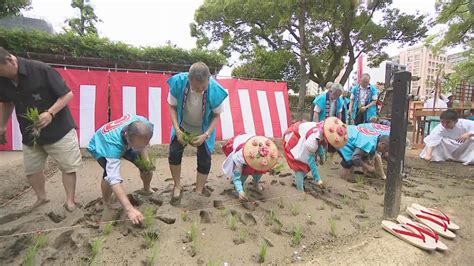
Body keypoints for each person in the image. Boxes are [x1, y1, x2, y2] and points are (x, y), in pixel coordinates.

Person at [0, 47, 81, 211]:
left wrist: (50, 113)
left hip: (59, 129)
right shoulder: (2, 80)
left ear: (10, 60)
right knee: (32, 170)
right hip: (30, 133)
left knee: (68, 166)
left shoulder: (40, 69)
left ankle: (70, 200)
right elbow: (6, 102)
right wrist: (2, 125)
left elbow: (67, 94)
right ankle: (41, 197)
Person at [167, 62, 228, 205]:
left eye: (203, 87)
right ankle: (177, 185)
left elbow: (216, 116)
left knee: (205, 158)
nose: (200, 90)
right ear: (189, 79)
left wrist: (205, 135)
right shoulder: (178, 83)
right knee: (174, 152)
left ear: (209, 79)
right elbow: (172, 107)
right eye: (196, 87)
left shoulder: (215, 90)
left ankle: (199, 190)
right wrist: (177, 130)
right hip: (182, 125)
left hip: (203, 129)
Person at [88, 114, 155, 224]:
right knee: (107, 175)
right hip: (102, 145)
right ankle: (106, 203)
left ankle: (146, 189)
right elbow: (113, 179)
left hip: (128, 142)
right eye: (137, 146)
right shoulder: (112, 147)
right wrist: (129, 209)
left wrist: (146, 160)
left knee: (146, 166)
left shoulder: (144, 124)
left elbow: (143, 143)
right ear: (126, 136)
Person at [282, 117, 348, 191]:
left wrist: (322, 156)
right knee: (300, 166)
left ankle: (302, 178)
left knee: (306, 164)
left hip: (304, 137)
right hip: (295, 140)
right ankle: (300, 190)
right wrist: (318, 179)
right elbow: (311, 162)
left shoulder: (322, 129)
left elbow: (319, 142)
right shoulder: (313, 141)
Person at [221, 134, 279, 201]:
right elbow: (236, 176)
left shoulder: (265, 150)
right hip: (243, 155)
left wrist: (271, 169)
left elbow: (268, 162)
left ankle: (256, 183)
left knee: (259, 171)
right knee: (243, 175)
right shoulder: (239, 158)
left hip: (252, 145)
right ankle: (239, 189)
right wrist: (240, 191)